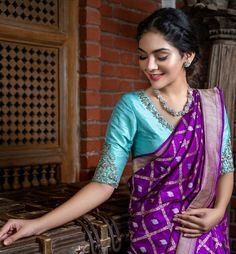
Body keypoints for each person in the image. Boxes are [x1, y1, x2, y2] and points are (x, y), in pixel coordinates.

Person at [0, 8, 234, 253]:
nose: (150, 66)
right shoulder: (132, 107)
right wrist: (37, 225)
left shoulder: (211, 106)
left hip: (204, 234)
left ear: (187, 56)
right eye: (143, 56)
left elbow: (225, 167)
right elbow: (103, 184)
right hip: (154, 235)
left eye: (161, 56)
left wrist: (218, 212)